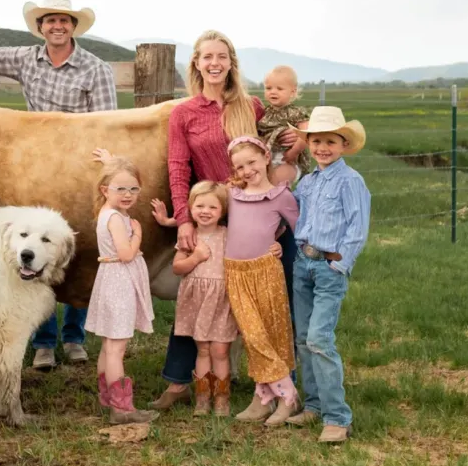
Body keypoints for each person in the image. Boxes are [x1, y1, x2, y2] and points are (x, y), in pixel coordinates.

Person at [148, 29, 299, 412]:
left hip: (256, 216)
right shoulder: (183, 112)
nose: (214, 63)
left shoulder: (251, 107)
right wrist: (184, 219)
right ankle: (180, 381)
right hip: (212, 219)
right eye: (206, 57)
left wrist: (295, 141)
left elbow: (271, 149)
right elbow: (178, 167)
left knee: (271, 301)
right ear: (196, 63)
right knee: (200, 294)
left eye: (222, 56)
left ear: (231, 62)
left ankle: (284, 387)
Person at [0, 0, 118, 369]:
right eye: (50, 21)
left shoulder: (95, 68)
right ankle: (44, 340)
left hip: (79, 171)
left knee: (75, 244)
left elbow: (105, 124)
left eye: (64, 20)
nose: (57, 26)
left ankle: (75, 336)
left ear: (73, 27)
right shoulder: (28, 58)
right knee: (37, 246)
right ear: (40, 28)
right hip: (36, 171)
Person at [282, 106, 370, 444]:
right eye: (316, 141)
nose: (322, 148)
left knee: (320, 339)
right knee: (303, 338)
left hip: (329, 266)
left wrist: (339, 264)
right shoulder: (308, 181)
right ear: (307, 144)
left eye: (330, 141)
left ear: (344, 144)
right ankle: (314, 404)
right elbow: (294, 214)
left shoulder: (351, 182)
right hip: (302, 263)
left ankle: (337, 417)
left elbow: (357, 229)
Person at [221, 136, 301, 424]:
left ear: (267, 157)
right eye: (239, 166)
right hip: (235, 272)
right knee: (253, 336)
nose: (246, 170)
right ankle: (284, 393)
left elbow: (298, 231)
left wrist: (278, 243)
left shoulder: (281, 196)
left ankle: (269, 397)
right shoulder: (231, 194)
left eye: (251, 162)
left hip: (266, 271)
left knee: (274, 334)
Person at [150, 182, 236, 416]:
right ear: (190, 208)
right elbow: (178, 267)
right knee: (203, 351)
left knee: (220, 351)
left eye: (212, 207)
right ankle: (202, 397)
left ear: (223, 211)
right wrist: (196, 257)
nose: (205, 211)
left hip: (220, 300)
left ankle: (221, 398)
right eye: (199, 206)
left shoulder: (228, 235)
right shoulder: (189, 237)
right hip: (196, 300)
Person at [83, 157, 159, 424]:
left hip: (111, 280)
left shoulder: (109, 211)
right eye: (121, 189)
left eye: (134, 189)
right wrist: (137, 234)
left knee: (108, 346)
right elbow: (126, 254)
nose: (128, 195)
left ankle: (108, 399)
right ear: (105, 190)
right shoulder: (116, 218)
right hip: (119, 283)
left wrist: (110, 160)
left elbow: (119, 175)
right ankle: (122, 409)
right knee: (117, 348)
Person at [257, 65, 311, 185]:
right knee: (262, 186)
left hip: (287, 159)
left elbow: (306, 132)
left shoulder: (296, 112)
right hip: (267, 159)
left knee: (276, 185)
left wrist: (294, 151)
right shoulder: (264, 113)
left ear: (293, 91)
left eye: (279, 89)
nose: (273, 92)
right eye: (268, 88)